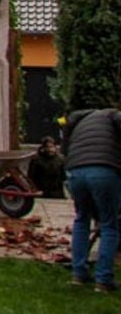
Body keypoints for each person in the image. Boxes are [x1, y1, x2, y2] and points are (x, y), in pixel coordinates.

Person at [61, 105, 121, 293]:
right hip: (103, 171)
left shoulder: (79, 121)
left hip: (75, 171)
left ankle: (79, 274)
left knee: (81, 219)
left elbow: (65, 147)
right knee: (109, 225)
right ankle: (103, 280)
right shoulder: (114, 116)